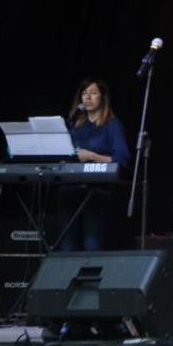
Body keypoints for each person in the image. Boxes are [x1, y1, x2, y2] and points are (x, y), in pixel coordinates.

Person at [58, 77, 131, 251]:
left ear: (102, 98)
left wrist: (93, 156)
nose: (87, 97)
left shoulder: (112, 126)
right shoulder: (74, 126)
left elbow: (122, 160)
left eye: (93, 93)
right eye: (84, 93)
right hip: (70, 189)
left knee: (92, 244)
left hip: (96, 191)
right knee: (66, 246)